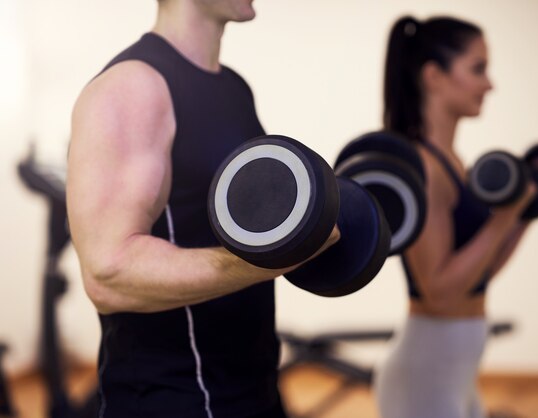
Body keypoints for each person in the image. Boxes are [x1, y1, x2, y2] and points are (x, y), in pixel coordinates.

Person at [66, 1, 339, 417]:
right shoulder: (134, 87)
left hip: (253, 388)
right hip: (176, 399)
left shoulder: (233, 87)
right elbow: (109, 273)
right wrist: (276, 259)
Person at [373, 16, 537, 418]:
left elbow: (476, 275)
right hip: (425, 376)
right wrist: (502, 220)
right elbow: (440, 291)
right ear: (434, 76)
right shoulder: (424, 168)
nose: (489, 84)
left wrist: (522, 217)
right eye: (478, 68)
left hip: (455, 370)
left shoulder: (452, 163)